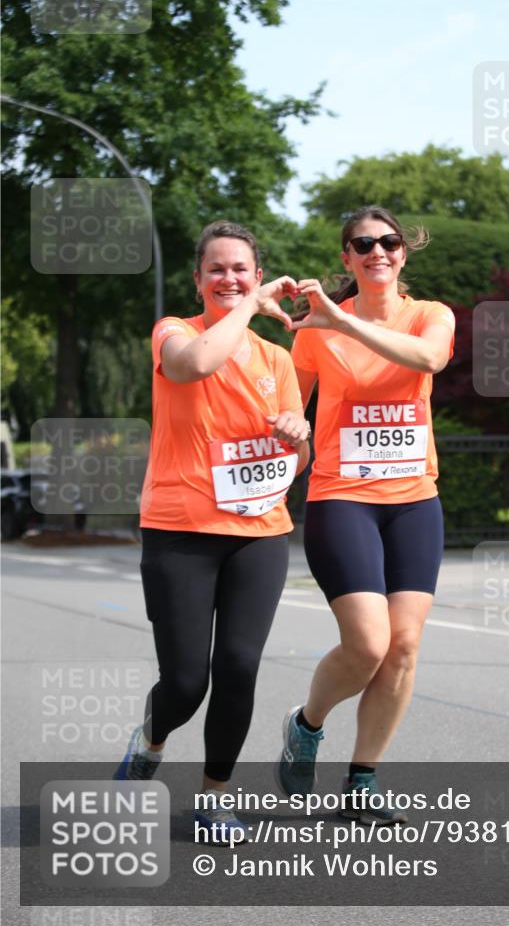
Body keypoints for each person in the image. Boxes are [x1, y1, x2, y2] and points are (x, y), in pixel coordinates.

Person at [114, 220, 310, 845]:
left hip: (259, 531)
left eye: (242, 269)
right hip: (179, 530)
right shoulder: (174, 332)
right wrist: (250, 307)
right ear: (198, 280)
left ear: (258, 272)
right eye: (218, 269)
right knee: (185, 682)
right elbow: (196, 366)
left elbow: (296, 460)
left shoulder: (278, 360)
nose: (230, 278)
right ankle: (150, 738)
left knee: (239, 666)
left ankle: (212, 797)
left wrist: (296, 437)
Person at [276, 205, 455, 824]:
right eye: (363, 244)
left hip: (414, 501)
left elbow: (427, 360)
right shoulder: (316, 327)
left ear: (404, 253)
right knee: (369, 643)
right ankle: (307, 724)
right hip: (342, 497)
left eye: (389, 242)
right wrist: (291, 429)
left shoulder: (431, 315)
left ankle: (361, 783)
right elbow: (288, 409)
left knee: (403, 647)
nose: (378, 251)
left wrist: (342, 325)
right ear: (347, 258)